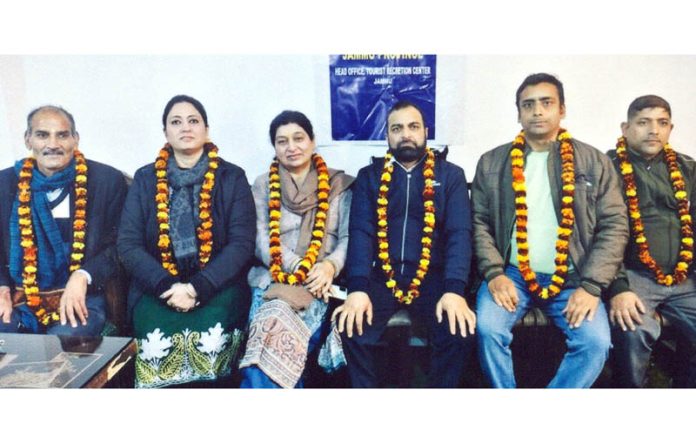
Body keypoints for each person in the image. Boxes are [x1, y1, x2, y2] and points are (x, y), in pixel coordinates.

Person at [472, 73, 629, 388]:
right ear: (518, 112)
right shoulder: (492, 162)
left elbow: (614, 225)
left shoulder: (594, 161)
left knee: (595, 342)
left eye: (546, 103)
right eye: (528, 105)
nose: (537, 111)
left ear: (562, 109)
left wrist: (591, 287)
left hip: (573, 279)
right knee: (489, 329)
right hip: (512, 276)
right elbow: (479, 222)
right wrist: (494, 273)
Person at [334, 100, 476, 388]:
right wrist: (358, 289)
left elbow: (459, 234)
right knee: (351, 329)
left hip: (433, 278)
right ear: (387, 136)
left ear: (426, 131)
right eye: (396, 128)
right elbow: (361, 233)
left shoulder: (450, 176)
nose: (405, 134)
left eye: (413, 127)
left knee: (458, 331)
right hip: (382, 277)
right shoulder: (369, 177)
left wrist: (454, 290)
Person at [117, 95, 255, 388]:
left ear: (207, 129)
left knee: (214, 336)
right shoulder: (145, 179)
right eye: (175, 122)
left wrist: (198, 288)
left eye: (193, 120)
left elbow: (242, 244)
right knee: (154, 338)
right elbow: (128, 245)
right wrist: (168, 286)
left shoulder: (232, 177)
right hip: (157, 288)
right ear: (165, 132)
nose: (185, 128)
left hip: (216, 285)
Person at [238, 110, 354, 388]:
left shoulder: (340, 184)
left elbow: (349, 237)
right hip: (272, 279)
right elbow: (260, 238)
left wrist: (328, 266)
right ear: (275, 148)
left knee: (286, 339)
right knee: (267, 332)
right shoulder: (263, 184)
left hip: (320, 284)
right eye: (282, 141)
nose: (292, 147)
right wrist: (296, 266)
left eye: (298, 138)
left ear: (313, 142)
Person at [0, 105, 128, 336]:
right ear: (28, 140)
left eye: (62, 135)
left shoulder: (106, 182)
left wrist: (83, 275)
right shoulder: (4, 184)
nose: (53, 144)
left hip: (84, 297)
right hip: (21, 298)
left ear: (75, 139)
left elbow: (120, 247)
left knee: (64, 343)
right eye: (42, 135)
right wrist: (1, 287)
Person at [606, 95, 696, 387]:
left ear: (671, 128)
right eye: (643, 122)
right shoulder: (607, 168)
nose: (653, 130)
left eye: (662, 123)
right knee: (633, 330)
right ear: (625, 127)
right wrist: (618, 287)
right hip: (634, 278)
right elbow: (600, 233)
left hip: (683, 280)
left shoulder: (687, 168)